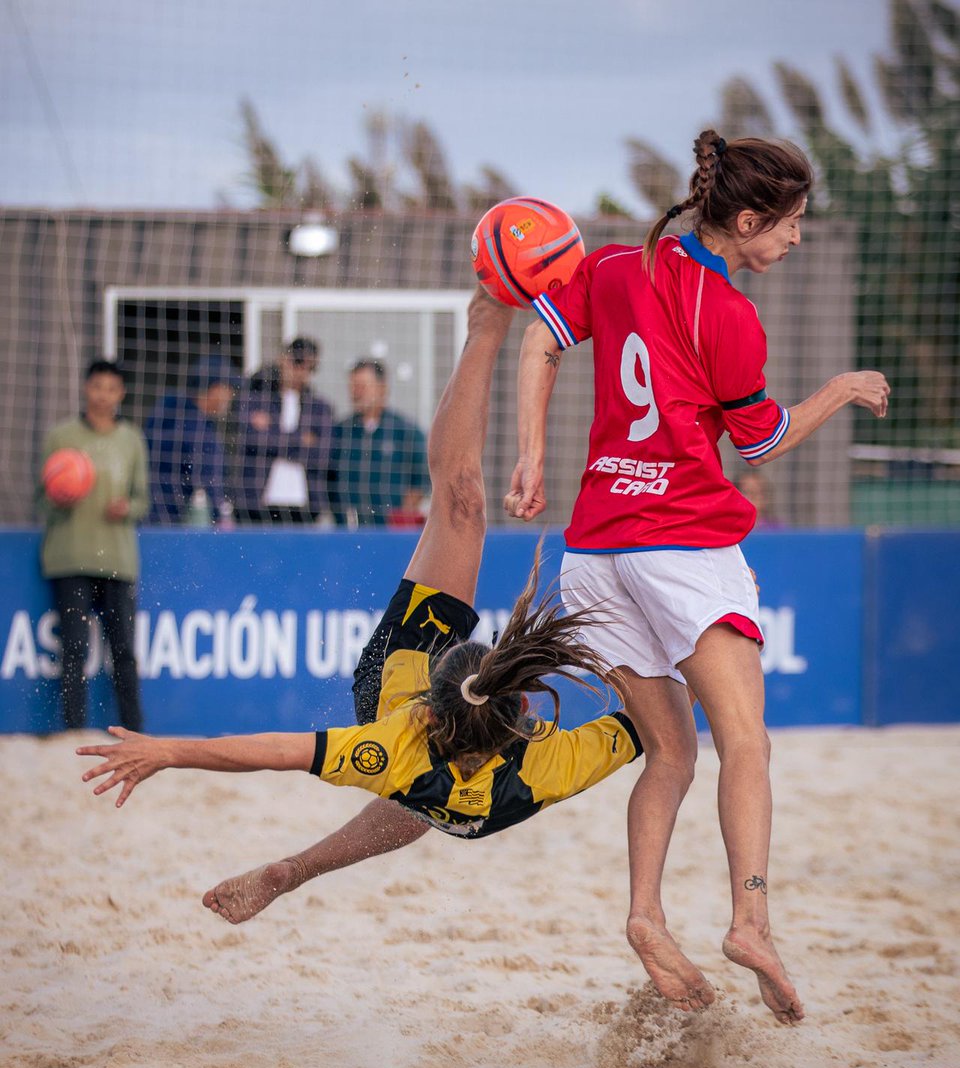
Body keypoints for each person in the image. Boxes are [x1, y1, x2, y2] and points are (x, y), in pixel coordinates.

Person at [77, 291, 644, 936]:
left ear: (428, 710)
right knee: (414, 807)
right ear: (522, 717)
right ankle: (292, 870)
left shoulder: (396, 739)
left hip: (394, 681)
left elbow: (274, 752)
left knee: (460, 505)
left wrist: (171, 752)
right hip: (462, 780)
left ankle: (485, 327)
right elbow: (655, 726)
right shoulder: (544, 763)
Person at [504, 131, 891, 1026]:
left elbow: (541, 343)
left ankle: (645, 916)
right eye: (790, 225)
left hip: (594, 548)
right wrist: (838, 389)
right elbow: (758, 443)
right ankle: (750, 920)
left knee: (671, 754)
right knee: (746, 743)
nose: (796, 240)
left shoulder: (614, 266)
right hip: (679, 544)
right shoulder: (731, 315)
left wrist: (532, 458)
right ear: (748, 220)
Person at [39, 359, 148, 731]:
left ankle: (134, 731)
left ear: (121, 394)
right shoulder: (61, 436)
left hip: (117, 560)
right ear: (86, 389)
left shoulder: (130, 438)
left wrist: (127, 507)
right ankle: (73, 731)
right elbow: (40, 501)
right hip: (71, 557)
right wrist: (59, 497)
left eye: (111, 388)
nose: (103, 395)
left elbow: (143, 501)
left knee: (124, 653)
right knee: (73, 651)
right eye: (97, 386)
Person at [234, 336, 334, 524]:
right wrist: (301, 440)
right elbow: (253, 442)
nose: (302, 371)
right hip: (256, 503)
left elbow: (321, 457)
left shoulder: (320, 408)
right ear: (283, 359)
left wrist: (272, 432)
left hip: (304, 506)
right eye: (298, 362)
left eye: (310, 368)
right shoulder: (256, 398)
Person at [329, 359, 429, 526]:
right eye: (353, 387)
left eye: (363, 386)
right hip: (349, 529)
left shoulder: (405, 431)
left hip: (389, 532)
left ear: (382, 389)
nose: (357, 393)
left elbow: (421, 480)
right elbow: (329, 480)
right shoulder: (341, 431)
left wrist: (402, 516)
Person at [144, 355, 238, 525]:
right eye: (228, 388)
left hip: (145, 514)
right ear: (214, 388)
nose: (231, 395)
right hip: (168, 519)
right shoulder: (199, 428)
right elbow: (210, 477)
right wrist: (222, 515)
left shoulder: (166, 409)